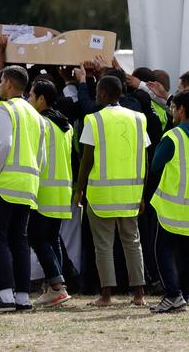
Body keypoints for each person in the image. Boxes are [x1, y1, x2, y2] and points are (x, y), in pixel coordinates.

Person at [0, 66, 45, 313]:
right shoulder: (36, 115)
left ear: (7, 84)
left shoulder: (2, 109)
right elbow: (42, 156)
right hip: (28, 185)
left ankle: (5, 295)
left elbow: (3, 143)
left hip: (5, 183)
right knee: (20, 241)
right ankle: (23, 297)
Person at [74, 76, 149, 307]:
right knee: (132, 242)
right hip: (130, 194)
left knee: (103, 245)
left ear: (105, 94)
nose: (95, 95)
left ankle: (106, 295)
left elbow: (87, 159)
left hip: (101, 196)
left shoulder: (93, 119)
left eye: (97, 91)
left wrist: (79, 190)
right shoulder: (138, 119)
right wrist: (142, 193)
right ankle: (139, 294)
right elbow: (143, 158)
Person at [27, 80, 74, 307]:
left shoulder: (41, 123)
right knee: (52, 238)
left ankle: (57, 286)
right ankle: (53, 287)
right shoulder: (66, 125)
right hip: (62, 190)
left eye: (31, 96)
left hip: (44, 189)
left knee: (37, 238)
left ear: (41, 99)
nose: (28, 100)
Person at [149, 90, 189, 313]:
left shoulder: (173, 136)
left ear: (181, 110)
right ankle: (184, 294)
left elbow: (155, 165)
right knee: (186, 253)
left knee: (163, 250)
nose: (172, 111)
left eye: (173, 108)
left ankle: (173, 294)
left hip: (171, 208)